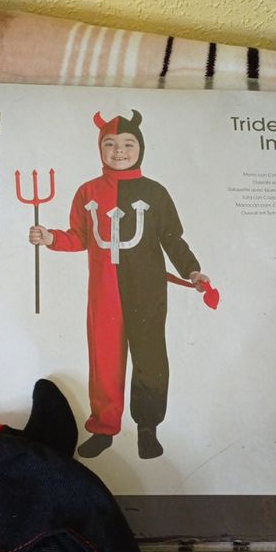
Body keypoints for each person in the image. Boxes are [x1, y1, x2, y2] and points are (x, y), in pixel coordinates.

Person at [30, 109, 210, 459]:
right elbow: (80, 237)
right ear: (100, 149)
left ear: (140, 147)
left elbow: (172, 239)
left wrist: (192, 271)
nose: (119, 151)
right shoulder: (88, 192)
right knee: (104, 360)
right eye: (110, 144)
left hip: (147, 290)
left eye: (128, 144)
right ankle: (104, 427)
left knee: (150, 359)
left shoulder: (155, 192)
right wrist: (50, 237)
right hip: (104, 293)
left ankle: (147, 428)